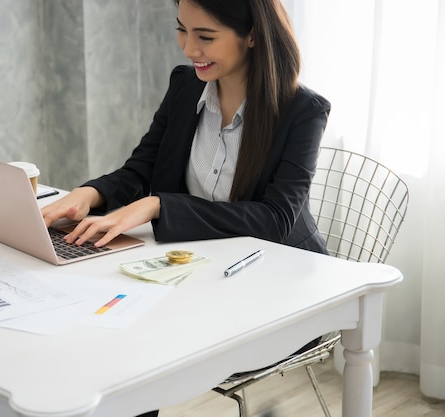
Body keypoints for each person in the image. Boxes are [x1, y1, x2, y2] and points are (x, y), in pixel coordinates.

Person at [43, 0, 329, 413]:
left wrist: (160, 206)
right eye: (182, 30)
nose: (188, 48)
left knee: (135, 336)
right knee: (106, 322)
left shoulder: (301, 111)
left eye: (205, 37)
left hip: (276, 287)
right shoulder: (186, 85)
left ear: (252, 35)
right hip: (196, 271)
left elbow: (274, 220)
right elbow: (141, 168)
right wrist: (89, 194)